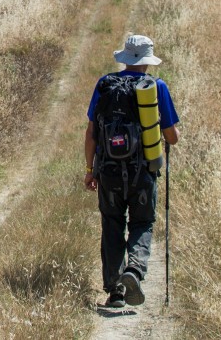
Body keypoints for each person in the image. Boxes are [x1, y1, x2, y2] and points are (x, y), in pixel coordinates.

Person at [84, 34, 180, 309]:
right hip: (143, 173)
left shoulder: (105, 85)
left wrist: (90, 170)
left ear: (125, 58)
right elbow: (171, 137)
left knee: (112, 225)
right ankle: (134, 272)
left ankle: (115, 292)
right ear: (147, 61)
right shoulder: (155, 87)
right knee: (142, 223)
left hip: (109, 172)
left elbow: (91, 133)